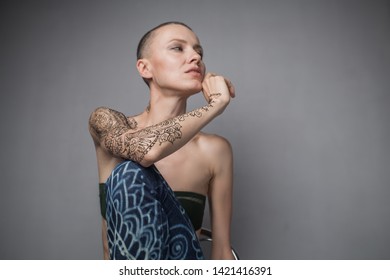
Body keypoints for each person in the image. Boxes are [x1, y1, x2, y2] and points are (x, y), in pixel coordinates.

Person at [89, 21, 235, 260]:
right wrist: (216, 105)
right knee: (130, 173)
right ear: (145, 68)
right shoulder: (107, 122)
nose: (195, 57)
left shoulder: (214, 150)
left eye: (199, 52)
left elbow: (221, 253)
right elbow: (146, 152)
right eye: (178, 48)